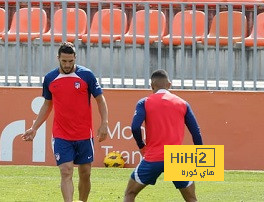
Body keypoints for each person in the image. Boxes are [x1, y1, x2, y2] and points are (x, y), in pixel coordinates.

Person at [21, 42, 109, 202]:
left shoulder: (86, 75)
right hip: (61, 135)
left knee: (85, 173)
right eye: (64, 61)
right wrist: (34, 128)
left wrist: (104, 123)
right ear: (58, 59)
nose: (67, 65)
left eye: (70, 61)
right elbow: (47, 104)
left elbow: (100, 100)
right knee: (66, 171)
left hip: (84, 134)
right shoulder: (50, 78)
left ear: (75, 58)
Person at [123, 69, 203, 202]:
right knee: (191, 199)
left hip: (153, 158)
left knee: (130, 193)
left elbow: (135, 127)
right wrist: (200, 155)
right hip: (177, 159)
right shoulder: (183, 103)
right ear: (169, 85)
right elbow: (196, 132)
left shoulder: (144, 102)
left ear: (152, 86)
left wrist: (141, 146)